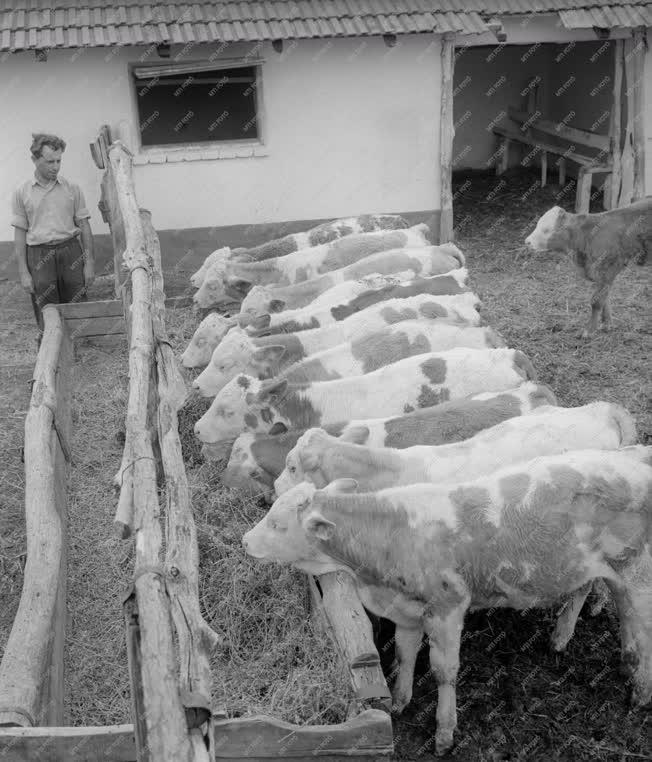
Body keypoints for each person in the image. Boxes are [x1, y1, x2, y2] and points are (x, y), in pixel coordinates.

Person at [11, 133, 95, 332]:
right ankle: (51, 355)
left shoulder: (72, 189)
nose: (55, 166)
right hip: (39, 255)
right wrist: (23, 271)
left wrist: (89, 263)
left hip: (70, 251)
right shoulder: (22, 192)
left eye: (59, 161)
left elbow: (84, 226)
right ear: (35, 160)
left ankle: (81, 348)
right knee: (46, 307)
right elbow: (20, 233)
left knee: (77, 302)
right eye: (50, 161)